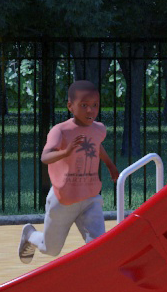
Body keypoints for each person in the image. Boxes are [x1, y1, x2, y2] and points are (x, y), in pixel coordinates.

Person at [19, 79, 117, 262]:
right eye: (84, 105)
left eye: (95, 105)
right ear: (70, 106)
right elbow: (45, 157)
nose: (90, 110)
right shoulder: (60, 131)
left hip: (90, 198)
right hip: (63, 199)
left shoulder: (98, 129)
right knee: (50, 249)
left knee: (99, 246)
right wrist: (66, 151)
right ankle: (30, 235)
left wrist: (110, 165)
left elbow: (97, 146)